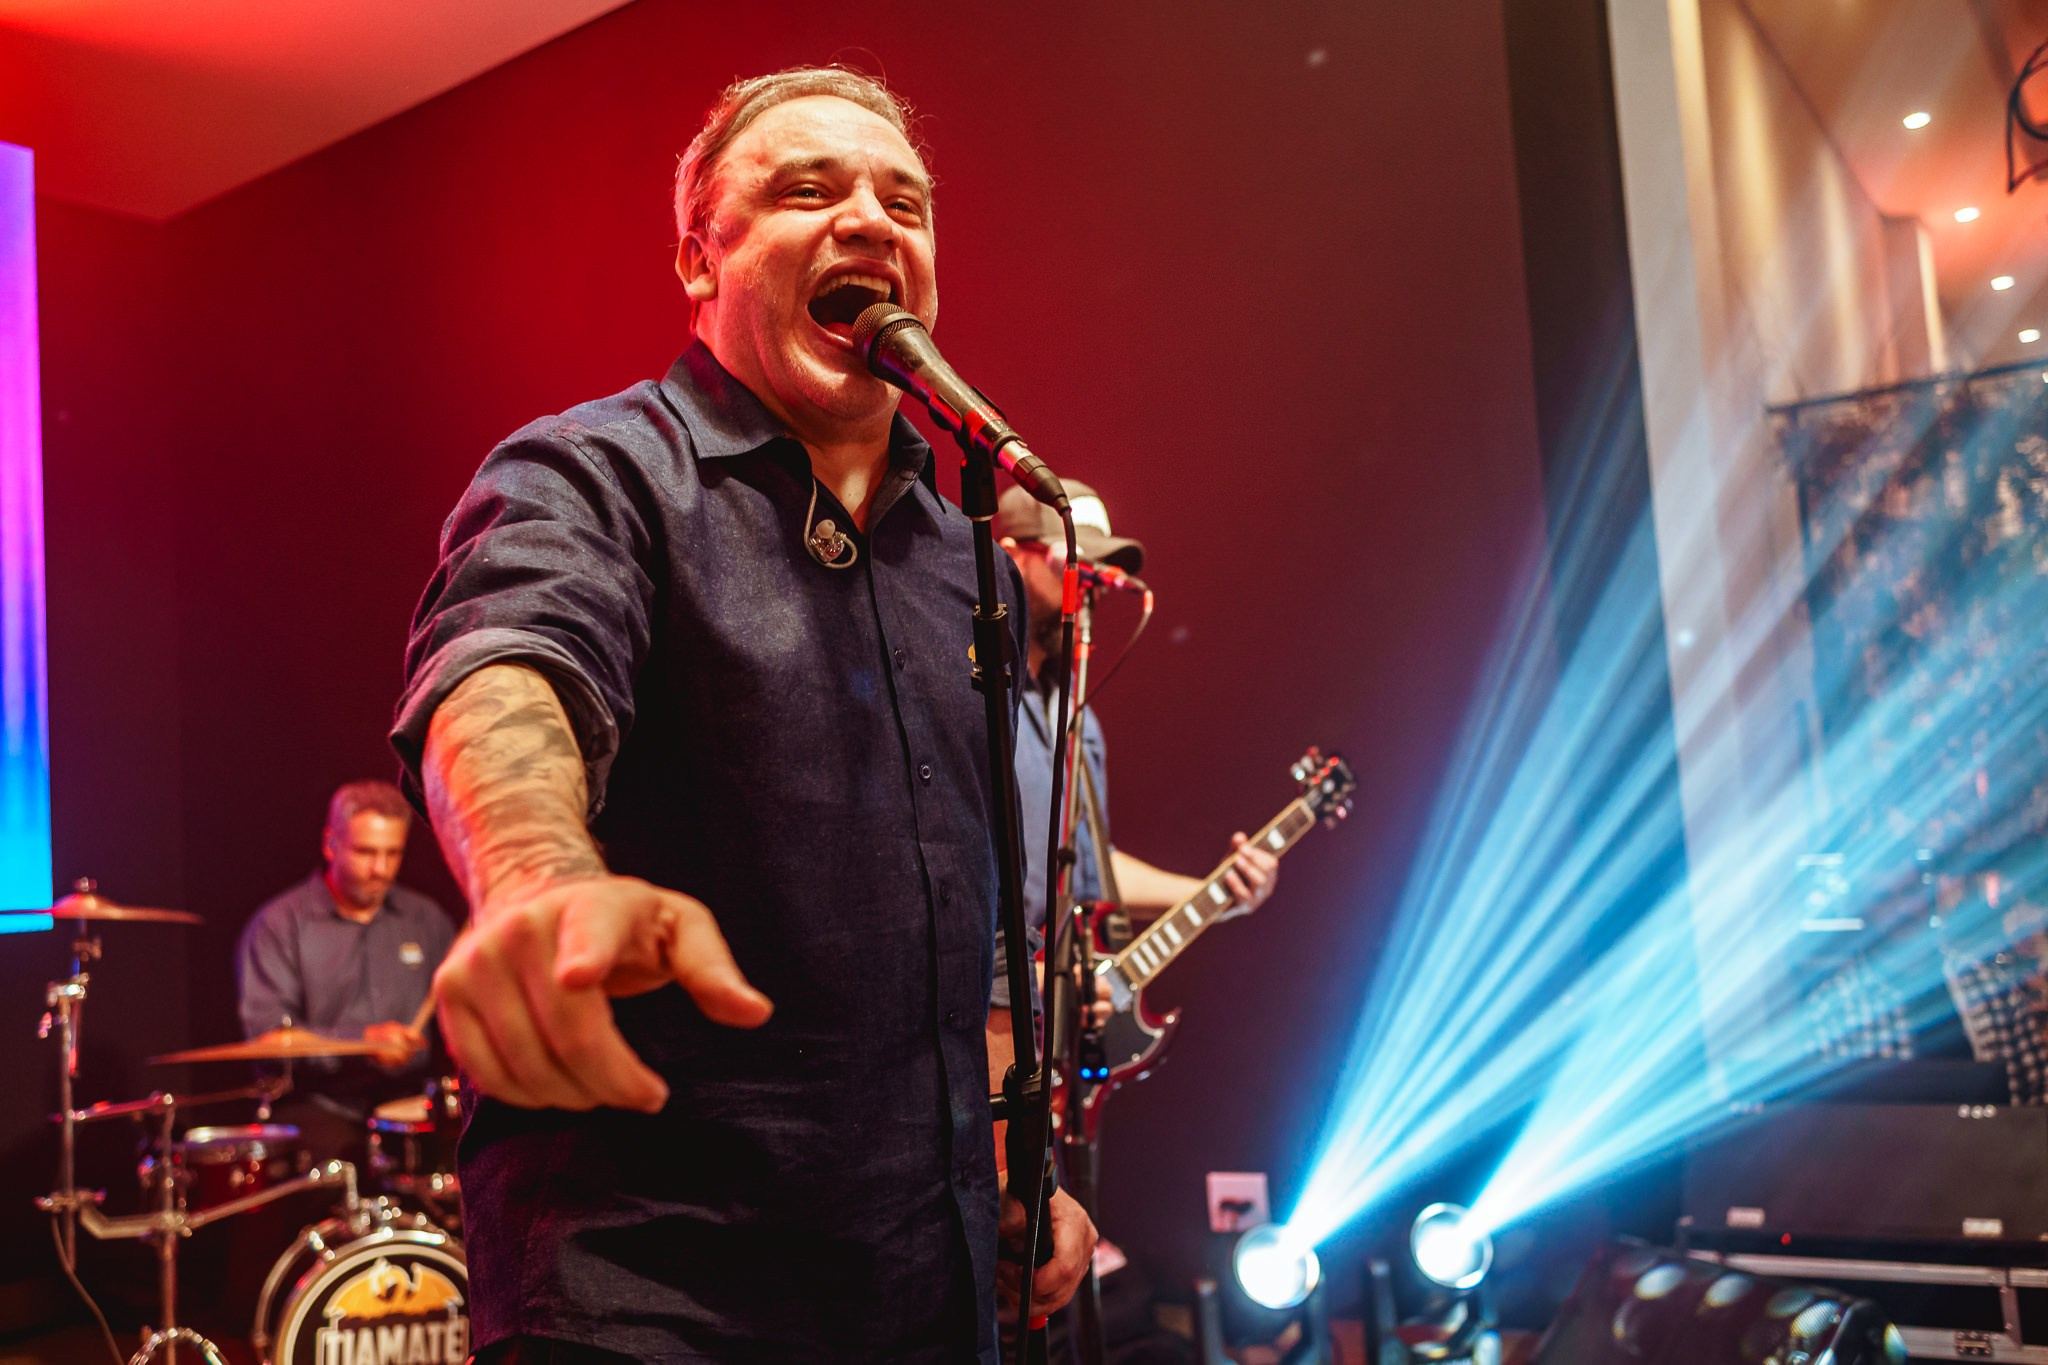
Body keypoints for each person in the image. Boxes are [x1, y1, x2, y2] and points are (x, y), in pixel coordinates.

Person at [389, 67, 1092, 1364]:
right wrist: (539, 878)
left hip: (930, 1296)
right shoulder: (593, 472)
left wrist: (1014, 1162)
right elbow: (510, 661)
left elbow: (976, 923)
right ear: (696, 258)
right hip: (651, 1302)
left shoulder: (973, 565)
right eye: (804, 192)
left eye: (906, 202)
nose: (874, 222)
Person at [235, 779, 454, 1154]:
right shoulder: (281, 925)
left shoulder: (426, 920)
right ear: (330, 844)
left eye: (393, 853)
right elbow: (268, 1040)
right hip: (320, 1107)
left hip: (410, 1106)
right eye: (366, 852)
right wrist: (363, 1042)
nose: (381, 869)